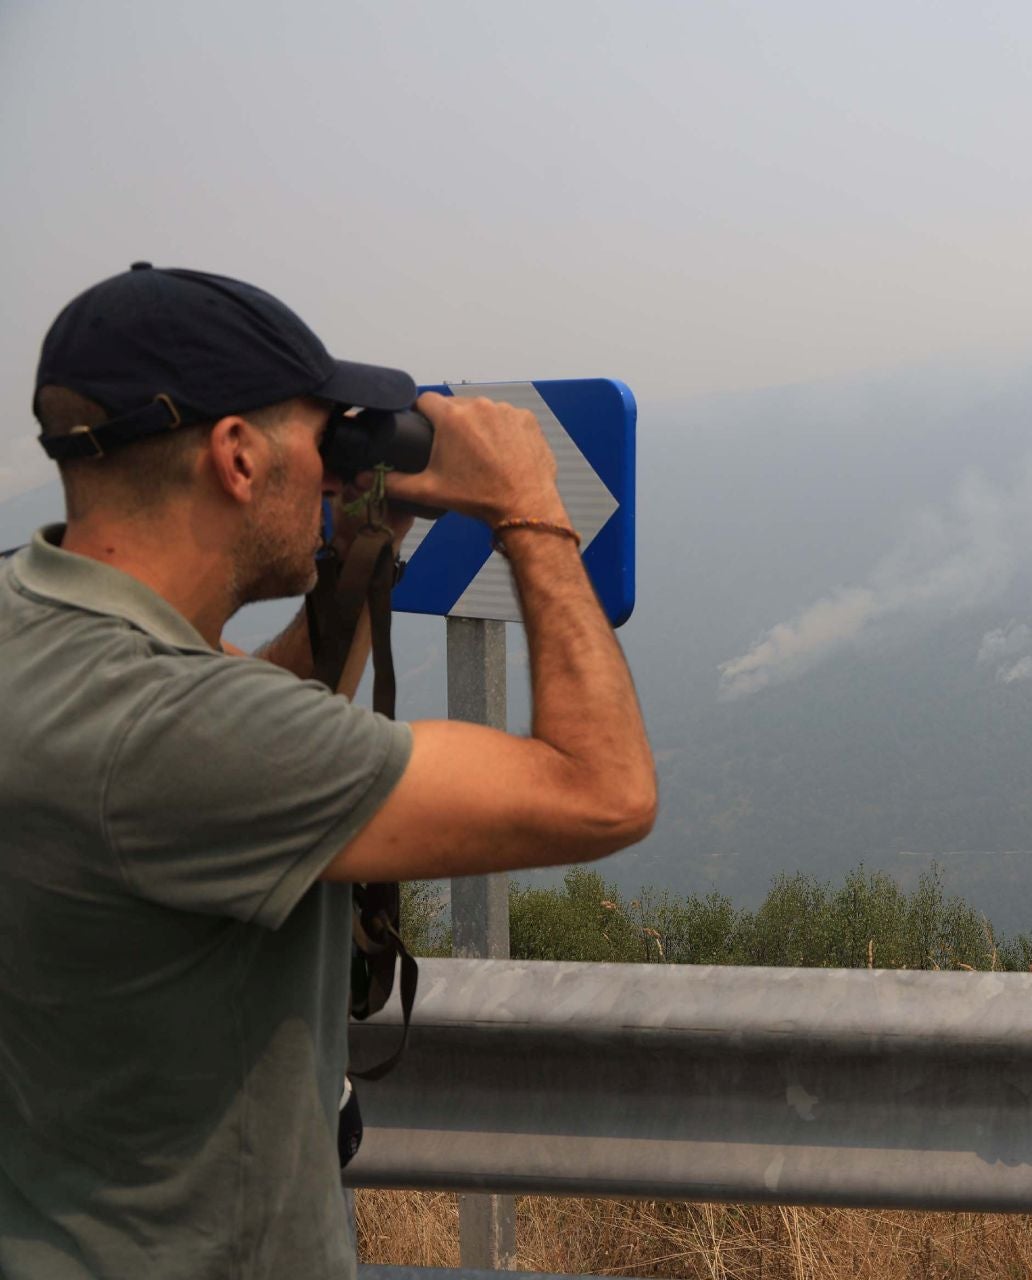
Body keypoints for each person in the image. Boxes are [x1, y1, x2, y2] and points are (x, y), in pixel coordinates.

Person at [0, 264, 658, 1280]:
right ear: (235, 455)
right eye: (321, 436)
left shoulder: (37, 623)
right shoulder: (174, 732)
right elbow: (602, 789)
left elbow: (243, 734)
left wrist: (360, 541)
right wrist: (531, 507)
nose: (335, 461)